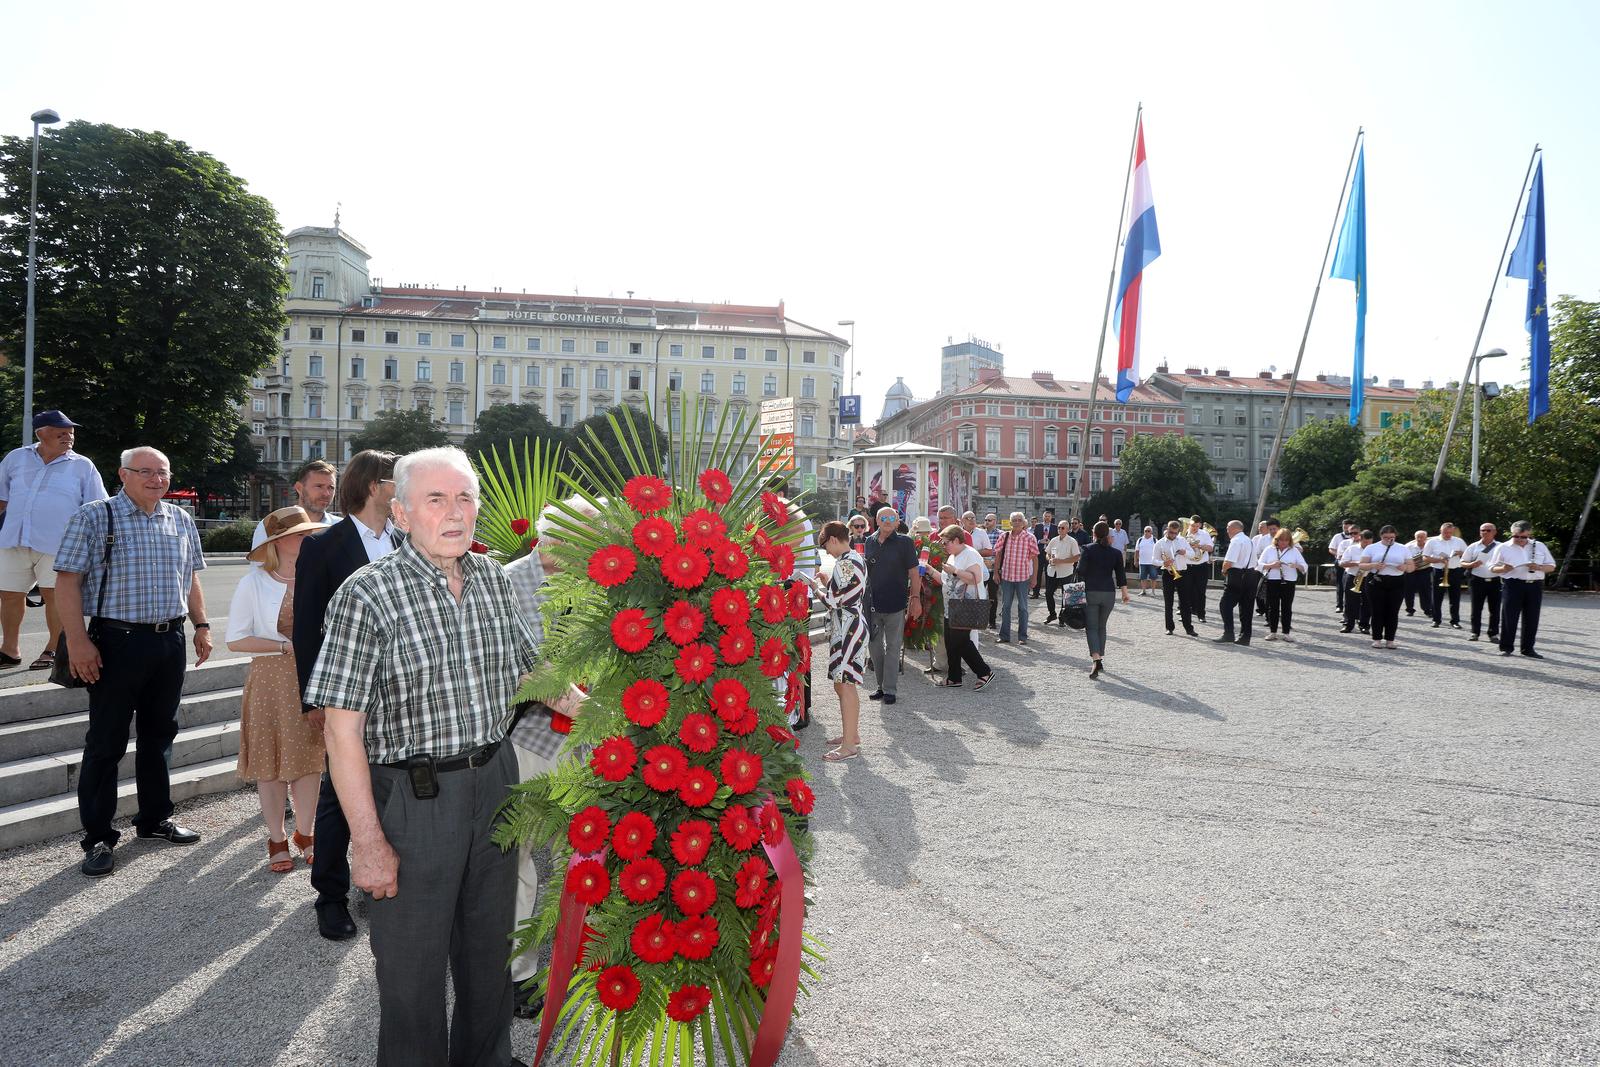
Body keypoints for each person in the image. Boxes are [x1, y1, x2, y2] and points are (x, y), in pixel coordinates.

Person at [303, 446, 536, 1066]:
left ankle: (486, 1058)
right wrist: (370, 843)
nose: (455, 512)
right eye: (437, 499)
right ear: (401, 513)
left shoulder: (492, 579)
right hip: (414, 799)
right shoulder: (366, 594)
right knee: (412, 973)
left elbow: (533, 676)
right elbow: (340, 731)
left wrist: (611, 712)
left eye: (465, 498)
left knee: (490, 953)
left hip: (495, 783)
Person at [56, 447, 210, 878]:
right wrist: (80, 642)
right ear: (123, 474)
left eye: (162, 472)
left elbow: (191, 577)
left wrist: (201, 625)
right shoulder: (95, 516)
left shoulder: (179, 518)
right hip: (114, 642)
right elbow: (66, 582)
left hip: (169, 641)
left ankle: (154, 819)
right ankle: (98, 837)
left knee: (160, 735)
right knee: (106, 742)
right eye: (145, 472)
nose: (156, 479)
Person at [293, 448, 400, 941]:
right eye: (397, 479)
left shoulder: (407, 540)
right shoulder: (323, 546)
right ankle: (330, 897)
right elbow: (307, 630)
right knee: (338, 796)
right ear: (375, 486)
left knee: (395, 791)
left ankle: (386, 879)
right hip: (348, 695)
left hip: (404, 693)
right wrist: (313, 699)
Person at [502, 498, 587, 1015]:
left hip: (587, 745)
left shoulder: (597, 582)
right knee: (519, 860)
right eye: (582, 541)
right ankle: (518, 973)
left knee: (588, 855)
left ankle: (586, 957)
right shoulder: (508, 583)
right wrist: (580, 700)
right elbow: (521, 669)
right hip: (527, 742)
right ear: (551, 538)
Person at [226, 507, 328, 873]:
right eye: (302, 534)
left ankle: (305, 833)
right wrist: (287, 646)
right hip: (271, 678)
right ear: (279, 542)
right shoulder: (254, 582)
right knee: (269, 765)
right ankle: (276, 837)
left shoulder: (320, 577)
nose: (309, 539)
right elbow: (235, 640)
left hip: (312, 676)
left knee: (309, 761)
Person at [0, 410, 108, 671]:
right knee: (9, 595)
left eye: (70, 432)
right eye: (60, 432)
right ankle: (9, 649)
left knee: (55, 596)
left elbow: (98, 507)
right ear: (41, 433)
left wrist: (94, 545)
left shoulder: (83, 465)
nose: (68, 436)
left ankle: (53, 648)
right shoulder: (16, 458)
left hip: (60, 544)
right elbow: (2, 499)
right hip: (14, 540)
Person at [809, 521, 869, 757]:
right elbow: (844, 592)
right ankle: (850, 735)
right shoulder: (853, 558)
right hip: (848, 624)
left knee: (845, 684)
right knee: (842, 682)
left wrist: (815, 589)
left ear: (833, 539)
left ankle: (849, 745)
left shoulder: (845, 562)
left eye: (825, 547)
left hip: (847, 627)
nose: (826, 552)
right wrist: (827, 584)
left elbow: (834, 601)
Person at [862, 506, 921, 706]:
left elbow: (914, 573)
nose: (887, 521)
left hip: (896, 603)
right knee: (875, 649)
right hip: (872, 604)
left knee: (893, 647)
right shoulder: (868, 542)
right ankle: (880, 686)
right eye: (883, 518)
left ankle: (890, 689)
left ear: (897, 522)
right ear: (877, 522)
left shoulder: (905, 542)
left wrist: (915, 598)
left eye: (891, 518)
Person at [933, 524, 993, 690]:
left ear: (957, 540)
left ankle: (984, 672)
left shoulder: (970, 554)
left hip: (966, 605)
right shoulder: (954, 555)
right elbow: (948, 581)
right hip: (952, 605)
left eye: (946, 542)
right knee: (951, 642)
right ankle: (954, 677)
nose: (943, 546)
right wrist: (931, 571)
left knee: (961, 642)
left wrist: (955, 571)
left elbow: (976, 578)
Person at [1489, 520, 1555, 658]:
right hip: (1513, 584)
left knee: (1532, 617)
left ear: (1529, 534)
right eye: (1516, 536)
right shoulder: (1503, 547)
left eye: (1523, 537)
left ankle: (1528, 648)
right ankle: (1506, 647)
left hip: (1534, 584)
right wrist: (1503, 568)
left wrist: (1539, 567)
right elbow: (1492, 567)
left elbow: (1552, 566)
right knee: (1509, 616)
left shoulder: (1540, 546)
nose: (1519, 539)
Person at [1078, 521, 1128, 679]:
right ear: (1108, 534)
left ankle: (1096, 658)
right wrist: (1125, 593)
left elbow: (1081, 571)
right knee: (1102, 626)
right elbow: (1121, 576)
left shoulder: (1087, 549)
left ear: (1094, 533)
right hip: (1109, 593)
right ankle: (1100, 657)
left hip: (1092, 591)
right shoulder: (1116, 553)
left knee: (1091, 627)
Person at [253, 459, 338, 551]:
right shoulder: (272, 526)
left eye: (331, 487)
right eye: (319, 486)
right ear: (299, 488)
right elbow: (259, 565)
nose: (326, 494)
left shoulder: (342, 528)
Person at [1358, 525, 1414, 649]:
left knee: (1393, 612)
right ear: (1381, 536)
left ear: (1395, 536)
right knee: (1377, 611)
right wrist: (1373, 565)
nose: (1389, 540)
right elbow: (1362, 565)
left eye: (1392, 537)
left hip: (1397, 581)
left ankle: (1390, 640)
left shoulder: (1403, 548)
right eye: (1386, 537)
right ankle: (1377, 639)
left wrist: (1404, 567)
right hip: (1376, 581)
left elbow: (1411, 567)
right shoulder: (1372, 547)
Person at [992, 511, 1039, 645]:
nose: (1017, 522)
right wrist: (995, 572)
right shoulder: (1004, 536)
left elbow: (1035, 559)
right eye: (1015, 520)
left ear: (1024, 522)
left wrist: (1034, 578)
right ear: (1011, 522)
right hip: (1006, 576)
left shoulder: (1030, 538)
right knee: (1005, 607)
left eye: (1019, 520)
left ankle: (1022, 637)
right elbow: (998, 555)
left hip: (1023, 577)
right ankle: (1004, 635)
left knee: (1023, 607)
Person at [1213, 520, 1259, 645]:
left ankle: (1228, 633)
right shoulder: (1249, 540)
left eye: (1228, 528)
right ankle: (1245, 637)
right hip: (1251, 575)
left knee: (1225, 605)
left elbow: (1229, 561)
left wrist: (1223, 570)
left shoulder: (1236, 541)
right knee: (1246, 608)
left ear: (1234, 528)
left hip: (1237, 575)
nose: (1227, 530)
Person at [1258, 528, 1307, 642]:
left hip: (1289, 581)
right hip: (1273, 581)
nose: (1284, 542)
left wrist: (1297, 566)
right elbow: (1259, 565)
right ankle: (1273, 632)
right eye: (1281, 540)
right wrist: (1271, 565)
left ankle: (1286, 633)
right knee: (1272, 607)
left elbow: (1304, 566)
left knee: (1287, 607)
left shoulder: (1294, 550)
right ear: (1277, 539)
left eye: (1286, 540)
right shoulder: (1269, 549)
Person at [1461, 522, 1503, 643]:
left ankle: (1493, 634)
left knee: (1495, 609)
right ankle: (1475, 632)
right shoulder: (1473, 546)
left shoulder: (1501, 546)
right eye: (1482, 530)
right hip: (1477, 580)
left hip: (1495, 580)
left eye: (1488, 530)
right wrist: (1471, 564)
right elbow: (1463, 562)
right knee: (1476, 608)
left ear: (1494, 532)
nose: (1485, 532)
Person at [1154, 521, 1197, 637]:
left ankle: (1189, 628)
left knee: (1185, 602)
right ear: (1167, 529)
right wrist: (1163, 562)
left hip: (1183, 573)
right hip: (1168, 574)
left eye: (1175, 533)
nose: (1173, 535)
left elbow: (1193, 554)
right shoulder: (1159, 543)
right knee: (1168, 602)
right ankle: (1169, 628)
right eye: (1171, 532)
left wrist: (1185, 552)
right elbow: (1153, 560)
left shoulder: (1182, 540)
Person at [1423, 522, 1467, 629]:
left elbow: (1467, 554)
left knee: (1455, 597)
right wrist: (1439, 559)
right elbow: (1425, 557)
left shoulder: (1459, 541)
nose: (1448, 535)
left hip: (1455, 571)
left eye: (1450, 533)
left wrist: (1460, 553)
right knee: (1437, 597)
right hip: (1438, 570)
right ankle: (1436, 620)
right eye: (1445, 532)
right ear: (1440, 531)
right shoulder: (1432, 542)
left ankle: (1455, 621)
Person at [1042, 522, 1081, 624]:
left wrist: (1061, 561)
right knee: (1048, 593)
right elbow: (1048, 553)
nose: (1060, 529)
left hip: (1066, 572)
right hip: (1053, 571)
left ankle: (1062, 617)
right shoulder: (1054, 540)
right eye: (1059, 527)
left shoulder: (1072, 541)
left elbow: (1077, 557)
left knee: (1066, 596)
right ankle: (1052, 614)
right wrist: (1049, 559)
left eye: (1062, 528)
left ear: (1067, 529)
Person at [1338, 529, 1374, 634]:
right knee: (1350, 602)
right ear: (1360, 539)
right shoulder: (1352, 549)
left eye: (1369, 542)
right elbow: (1342, 563)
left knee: (1367, 602)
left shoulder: (1375, 550)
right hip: (1353, 576)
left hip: (1368, 577)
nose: (1367, 544)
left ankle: (1364, 625)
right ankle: (1348, 624)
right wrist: (1357, 563)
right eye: (1365, 542)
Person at [1185, 516, 1214, 624]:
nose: (1195, 528)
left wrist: (1199, 546)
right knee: (1187, 591)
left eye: (1197, 526)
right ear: (1189, 524)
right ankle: (1186, 614)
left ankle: (1201, 615)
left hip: (1201, 566)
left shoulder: (1204, 534)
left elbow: (1210, 548)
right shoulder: (1184, 533)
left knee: (1201, 591)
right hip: (1187, 566)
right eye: (1193, 526)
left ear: (1200, 525)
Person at [1401, 530, 1434, 617]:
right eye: (1417, 537)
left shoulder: (1430, 546)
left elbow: (1434, 557)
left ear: (1426, 538)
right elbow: (1402, 558)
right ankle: (1410, 609)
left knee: (1425, 590)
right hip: (1410, 570)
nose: (1419, 539)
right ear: (1415, 538)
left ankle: (1427, 610)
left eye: (1422, 537)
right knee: (1408, 590)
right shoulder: (1408, 546)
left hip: (1425, 569)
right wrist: (1410, 565)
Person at [1251, 519, 1279, 618]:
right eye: (1270, 529)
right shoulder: (1262, 539)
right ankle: (1268, 616)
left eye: (1274, 529)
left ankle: (1279, 616)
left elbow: (1299, 549)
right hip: (1265, 571)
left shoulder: (1286, 537)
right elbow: (1257, 553)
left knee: (1280, 597)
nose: (1272, 531)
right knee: (1263, 594)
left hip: (1282, 573)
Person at [1329, 519, 1356, 614]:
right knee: (1340, 584)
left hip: (1353, 563)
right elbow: (1331, 549)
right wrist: (1338, 554)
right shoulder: (1337, 536)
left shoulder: (1357, 537)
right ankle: (1339, 605)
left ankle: (1350, 607)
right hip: (1341, 561)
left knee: (1352, 584)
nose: (1346, 529)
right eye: (1344, 527)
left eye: (1348, 527)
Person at [979, 513, 1000, 626]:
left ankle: (992, 620)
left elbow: (1000, 552)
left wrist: (993, 563)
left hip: (992, 569)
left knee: (992, 596)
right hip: (981, 568)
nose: (987, 522)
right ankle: (980, 619)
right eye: (986, 520)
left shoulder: (1000, 534)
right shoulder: (981, 534)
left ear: (995, 521)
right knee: (979, 595)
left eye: (989, 520)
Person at [1029, 509, 1057, 598]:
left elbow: (1057, 539)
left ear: (1051, 518)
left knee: (1049, 572)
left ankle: (1048, 593)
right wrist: (1039, 541)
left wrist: (1050, 542)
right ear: (1043, 517)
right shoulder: (1038, 526)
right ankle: (1035, 593)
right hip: (1039, 553)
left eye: (1048, 516)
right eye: (1045, 516)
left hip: (1050, 553)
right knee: (1037, 572)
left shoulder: (1055, 527)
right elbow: (1033, 539)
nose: (1047, 518)